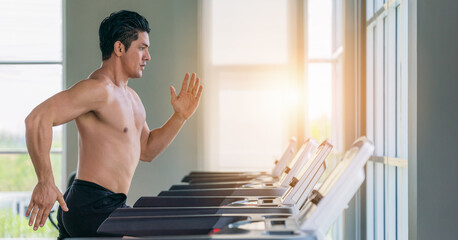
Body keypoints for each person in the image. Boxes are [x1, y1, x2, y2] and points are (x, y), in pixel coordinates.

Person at [24, 10, 203, 238]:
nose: (148, 57)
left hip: (109, 205)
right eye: (141, 48)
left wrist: (180, 117)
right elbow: (37, 119)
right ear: (119, 48)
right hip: (91, 204)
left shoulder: (132, 99)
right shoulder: (99, 89)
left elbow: (147, 150)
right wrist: (45, 181)